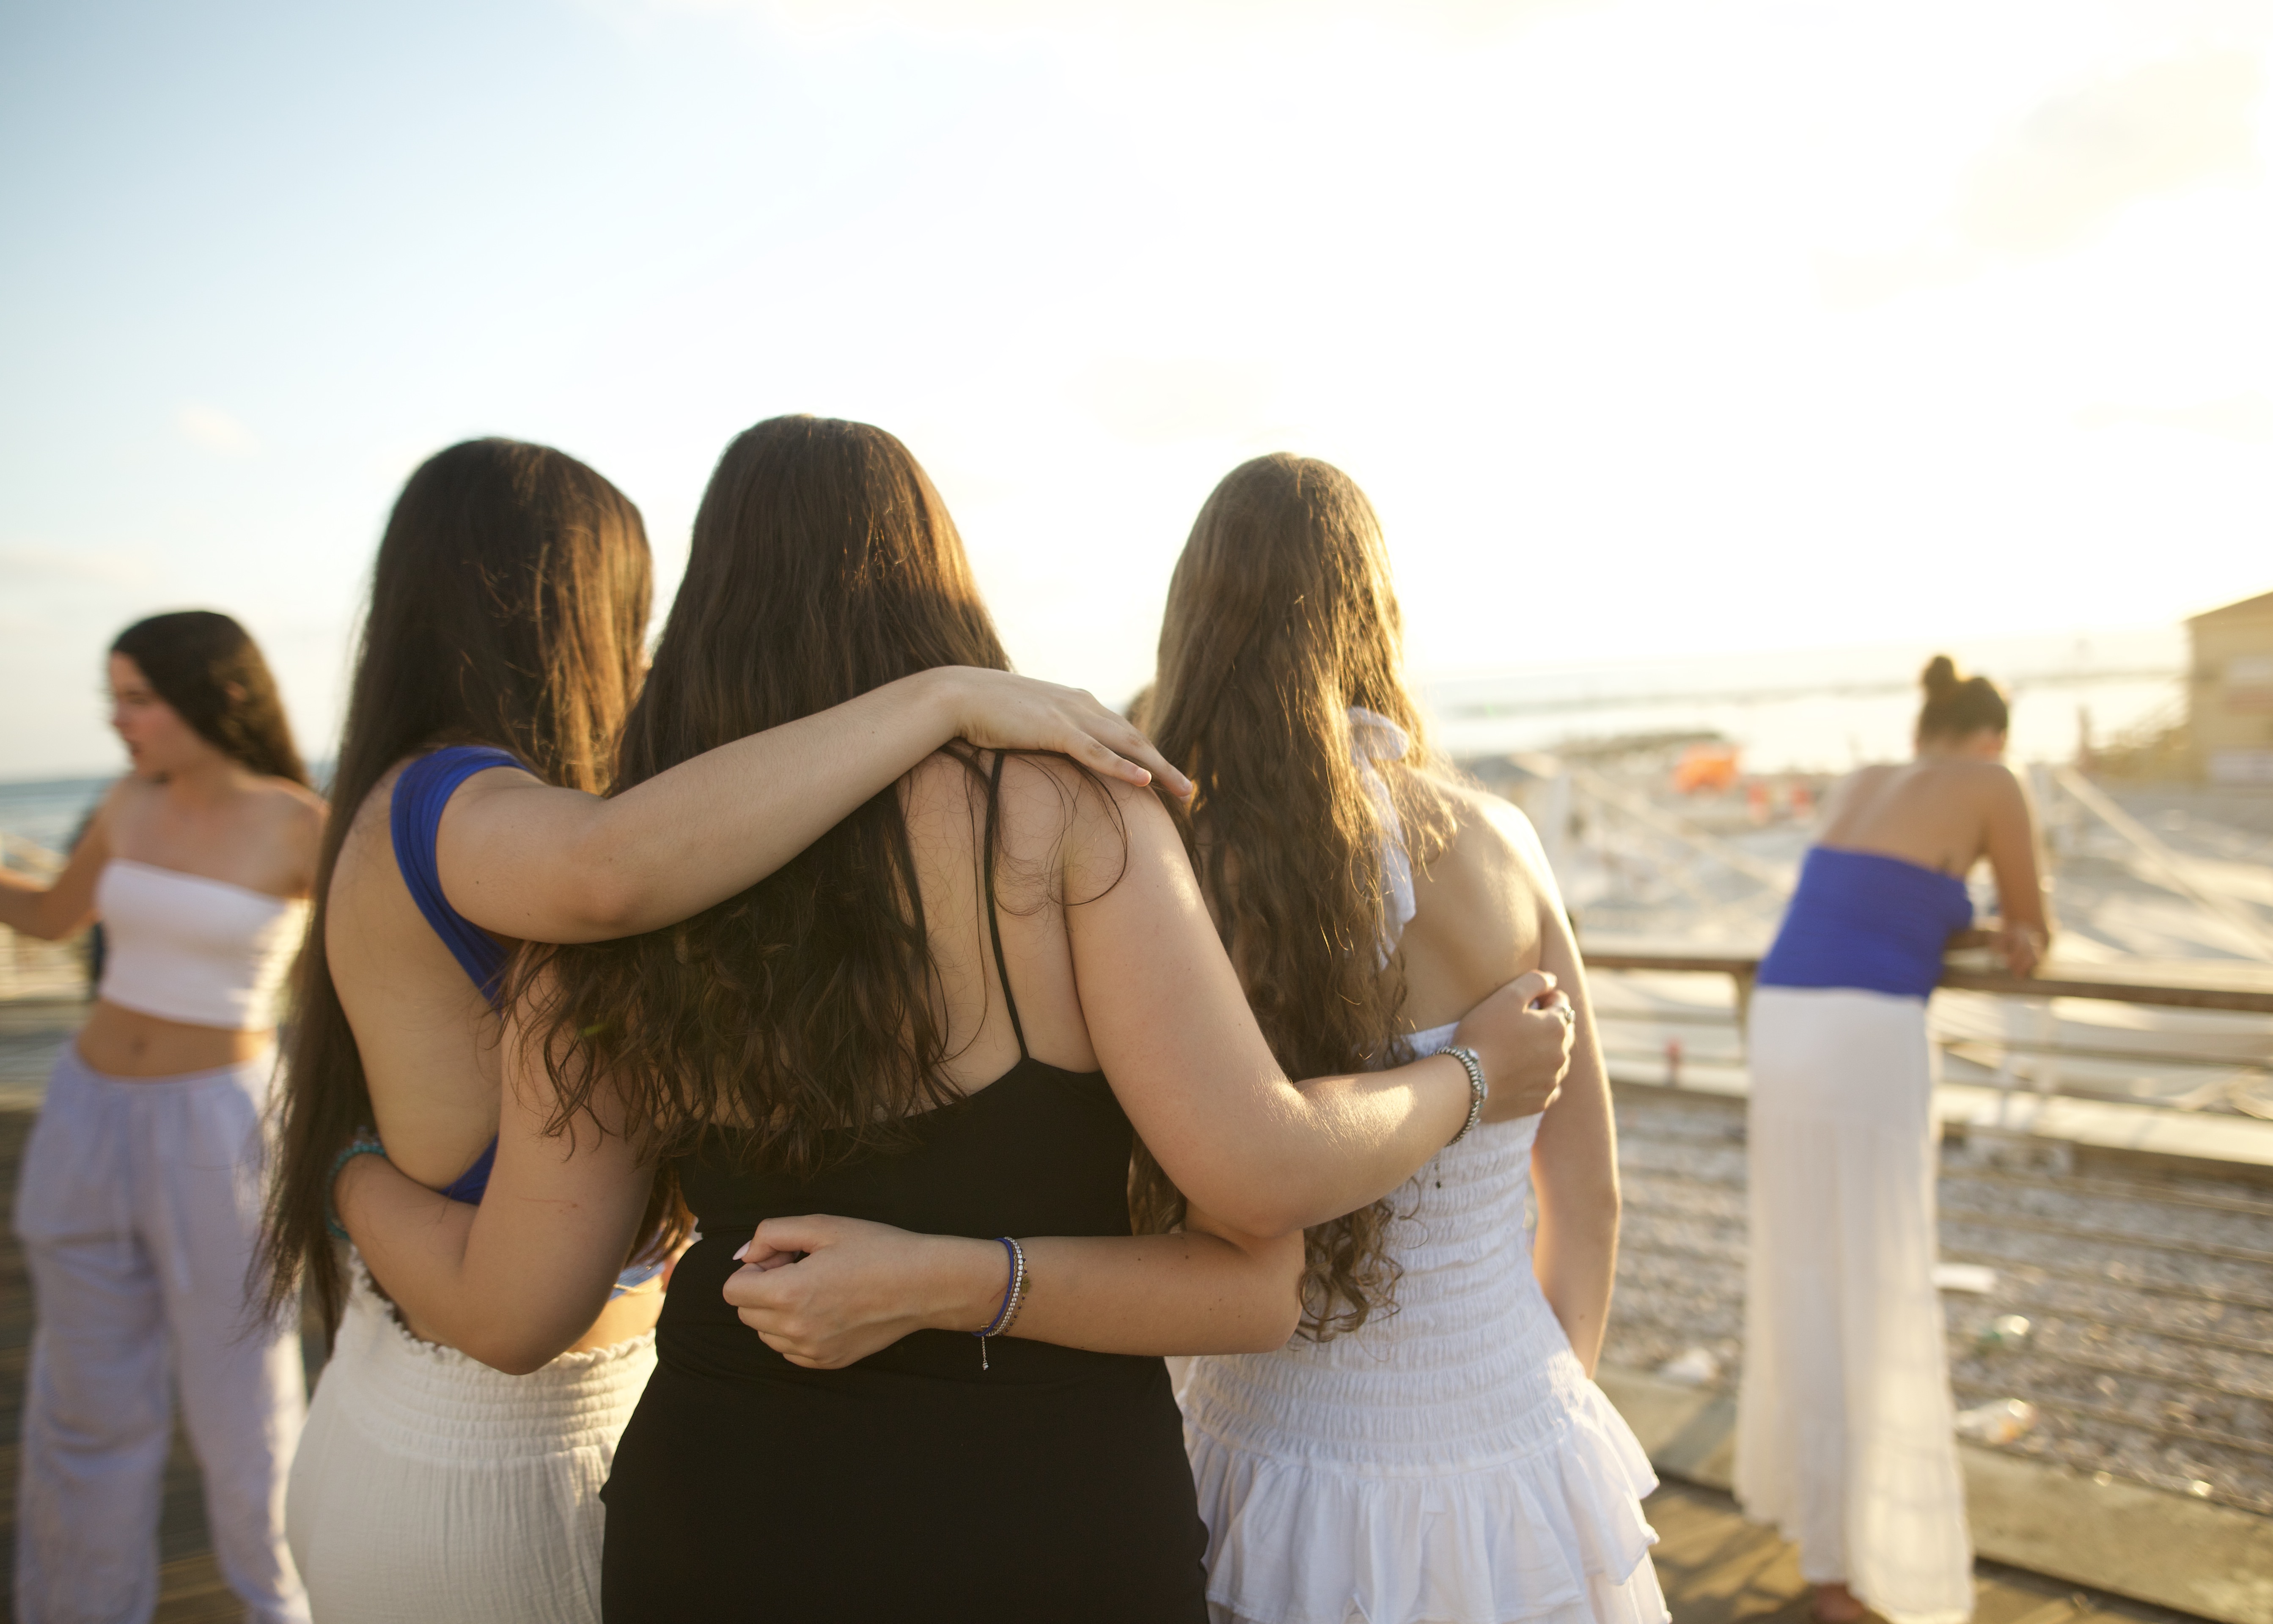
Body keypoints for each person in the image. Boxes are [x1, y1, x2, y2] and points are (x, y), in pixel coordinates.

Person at [328, 415, 1574, 1621]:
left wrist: (346, 1171)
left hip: (723, 1526)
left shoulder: (636, 880)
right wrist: (1471, 1074)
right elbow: (1256, 1200)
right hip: (1046, 1528)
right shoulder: (1070, 811)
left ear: (701, 615)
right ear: (945, 598)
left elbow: (517, 1312)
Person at [256, 437, 1193, 1624]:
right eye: (632, 603)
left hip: (456, 1422)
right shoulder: (475, 807)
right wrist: (940, 694)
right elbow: (614, 872)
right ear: (568, 610)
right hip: (497, 1460)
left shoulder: (458, 816)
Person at [1138, 455, 1666, 1624]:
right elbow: (1587, 1189)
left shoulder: (1173, 869)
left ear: (1197, 621)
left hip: (1265, 1449)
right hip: (1512, 1432)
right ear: (1375, 614)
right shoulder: (1503, 840)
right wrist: (1546, 1403)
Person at [0, 611, 322, 1624]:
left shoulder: (301, 822)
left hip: (217, 1129)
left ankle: (284, 1608)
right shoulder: (126, 801)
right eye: (115, 698)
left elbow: (364, 987)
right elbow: (55, 918)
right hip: (89, 1109)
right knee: (82, 1405)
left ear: (210, 697)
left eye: (138, 699)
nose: (119, 721)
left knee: (246, 1405)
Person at [1735, 655, 2048, 1624]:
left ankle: (1825, 1545)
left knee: (1806, 1274)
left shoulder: (1863, 782)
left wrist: (1940, 920)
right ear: (1993, 736)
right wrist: (1987, 929)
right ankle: (1859, 1570)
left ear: (1927, 730)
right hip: (1866, 1031)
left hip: (1782, 1017)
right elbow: (2034, 935)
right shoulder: (1998, 782)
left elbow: (1856, 907)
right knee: (1877, 1284)